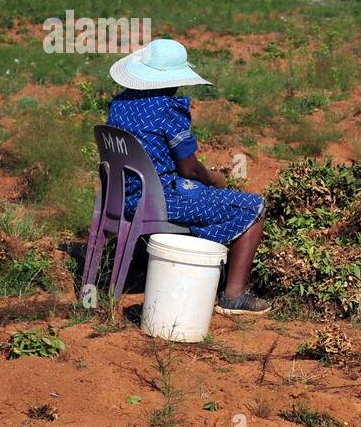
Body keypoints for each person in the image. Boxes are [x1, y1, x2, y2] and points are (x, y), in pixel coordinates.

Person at [106, 39, 272, 315]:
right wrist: (215, 178)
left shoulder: (120, 104)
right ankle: (233, 295)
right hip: (157, 200)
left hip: (123, 194)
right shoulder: (168, 109)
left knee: (199, 193)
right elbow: (189, 169)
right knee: (253, 206)